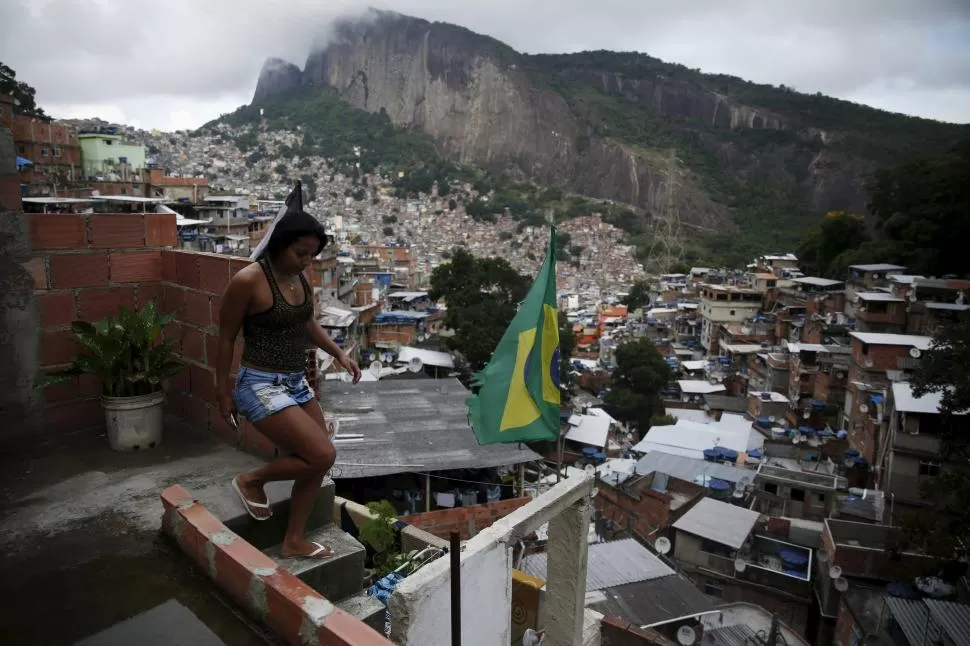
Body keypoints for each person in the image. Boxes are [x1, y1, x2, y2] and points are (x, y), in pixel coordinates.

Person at [216, 208, 361, 559]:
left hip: (295, 382)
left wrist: (339, 353)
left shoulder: (301, 279)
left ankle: (293, 540)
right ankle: (253, 480)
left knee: (317, 458)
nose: (306, 261)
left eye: (312, 254)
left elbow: (306, 323)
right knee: (323, 453)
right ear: (280, 245)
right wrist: (222, 391)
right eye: (300, 253)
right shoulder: (249, 281)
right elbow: (224, 338)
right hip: (259, 384)